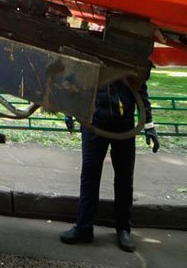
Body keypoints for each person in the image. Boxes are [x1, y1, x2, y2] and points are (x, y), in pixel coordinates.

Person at [60, 67, 159, 253]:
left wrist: (149, 125)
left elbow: (140, 87)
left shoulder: (128, 58)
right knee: (89, 176)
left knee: (124, 177)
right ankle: (84, 228)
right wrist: (70, 109)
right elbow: (77, 77)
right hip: (93, 120)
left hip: (124, 125)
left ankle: (123, 229)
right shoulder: (93, 53)